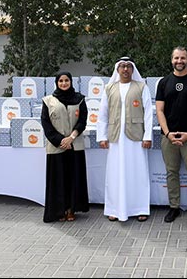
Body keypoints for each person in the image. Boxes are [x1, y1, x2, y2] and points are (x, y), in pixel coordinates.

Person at [96, 57, 153, 222]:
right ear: (117, 69)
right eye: (122, 66)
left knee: (138, 173)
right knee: (115, 174)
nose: (125, 69)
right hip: (115, 138)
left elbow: (149, 113)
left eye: (128, 66)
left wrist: (147, 136)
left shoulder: (141, 87)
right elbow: (102, 114)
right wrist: (102, 137)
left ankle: (140, 208)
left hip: (136, 138)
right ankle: (114, 209)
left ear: (133, 69)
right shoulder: (109, 88)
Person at [156, 47, 187, 225]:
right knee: (171, 172)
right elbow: (159, 110)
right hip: (168, 136)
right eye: (176, 58)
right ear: (171, 60)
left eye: (183, 58)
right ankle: (174, 207)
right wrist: (168, 133)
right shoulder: (163, 82)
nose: (179, 61)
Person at [41, 71, 89, 223]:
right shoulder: (48, 101)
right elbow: (46, 124)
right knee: (58, 179)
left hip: (75, 146)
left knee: (73, 179)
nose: (63, 83)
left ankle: (71, 209)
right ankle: (59, 210)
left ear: (71, 82)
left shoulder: (79, 99)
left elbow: (82, 121)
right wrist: (62, 141)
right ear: (56, 83)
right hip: (57, 147)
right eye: (60, 81)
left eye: (66, 80)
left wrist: (71, 138)